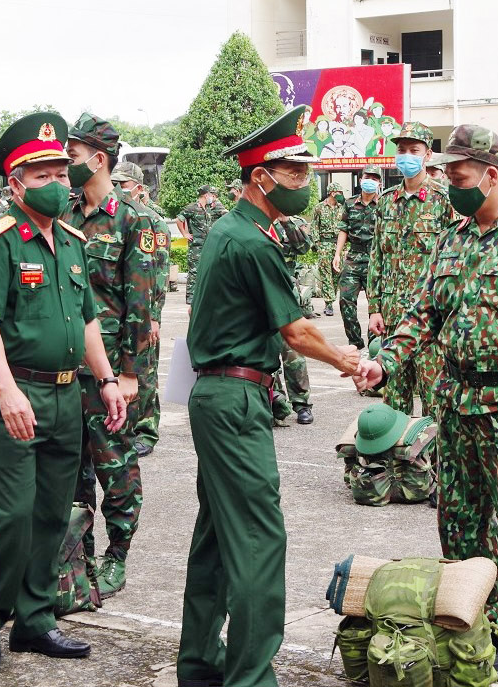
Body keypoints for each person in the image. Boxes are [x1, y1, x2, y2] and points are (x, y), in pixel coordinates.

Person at [353, 124, 498, 682]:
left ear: (491, 174)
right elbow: (424, 316)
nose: (448, 182)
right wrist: (386, 361)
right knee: (460, 523)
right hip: (456, 404)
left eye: (457, 175)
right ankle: (470, 613)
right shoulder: (453, 240)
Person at [178, 105, 360, 687]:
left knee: (216, 537)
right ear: (261, 176)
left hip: (218, 396)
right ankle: (251, 677)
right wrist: (348, 361)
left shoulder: (231, 231)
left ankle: (200, 665)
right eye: (295, 174)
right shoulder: (252, 243)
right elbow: (297, 331)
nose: (305, 184)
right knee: (258, 539)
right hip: (235, 401)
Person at [0, 112, 127, 670]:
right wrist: (6, 391)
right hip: (17, 393)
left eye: (62, 170)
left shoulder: (74, 242)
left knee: (54, 514)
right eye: (42, 174)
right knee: (10, 514)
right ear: (15, 184)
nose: (58, 182)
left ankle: (34, 621)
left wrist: (105, 380)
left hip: (64, 395)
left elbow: (86, 323)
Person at [61, 113, 155, 599]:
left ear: (98, 159)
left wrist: (129, 373)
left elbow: (140, 305)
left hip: (111, 373)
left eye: (72, 156)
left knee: (114, 467)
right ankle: (81, 553)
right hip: (66, 370)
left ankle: (117, 556)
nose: (65, 163)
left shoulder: (130, 219)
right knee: (71, 470)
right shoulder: (64, 214)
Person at [367, 122, 453, 416]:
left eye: (413, 150)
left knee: (435, 398)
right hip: (392, 316)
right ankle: (400, 462)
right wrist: (374, 308)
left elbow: (453, 261)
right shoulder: (386, 201)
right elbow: (377, 255)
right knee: (394, 399)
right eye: (401, 150)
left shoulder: (444, 201)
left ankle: (436, 461)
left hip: (431, 320)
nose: (406, 156)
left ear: (428, 155)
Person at [113, 161, 170, 456]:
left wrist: (154, 317)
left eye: (124, 185)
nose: (119, 190)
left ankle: (146, 430)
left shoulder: (152, 221)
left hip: (145, 312)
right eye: (116, 184)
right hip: (117, 311)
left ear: (138, 188)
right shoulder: (112, 217)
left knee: (144, 372)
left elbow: (158, 273)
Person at [271, 215, 315, 425]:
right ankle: (275, 402)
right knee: (264, 351)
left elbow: (304, 247)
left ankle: (301, 403)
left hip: (286, 295)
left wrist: (285, 221)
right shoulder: (250, 221)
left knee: (293, 351)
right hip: (258, 294)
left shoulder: (290, 222)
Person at [335, 164, 382, 349]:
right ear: (361, 180)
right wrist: (337, 254)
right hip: (353, 257)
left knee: (375, 306)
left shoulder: (384, 204)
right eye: (367, 177)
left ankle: (374, 344)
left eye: (375, 178)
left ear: (379, 183)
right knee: (345, 300)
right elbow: (343, 229)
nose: (370, 181)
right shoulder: (349, 203)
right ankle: (356, 343)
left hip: (375, 260)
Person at [178, 185, 227, 306]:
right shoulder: (192, 207)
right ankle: (191, 297)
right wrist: (185, 233)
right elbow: (179, 219)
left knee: (212, 269)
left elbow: (227, 215)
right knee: (194, 271)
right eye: (212, 195)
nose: (213, 197)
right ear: (206, 195)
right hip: (196, 246)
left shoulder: (213, 207)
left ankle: (210, 295)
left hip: (210, 245)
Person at [310, 181, 345, 316]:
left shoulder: (342, 208)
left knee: (337, 274)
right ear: (332, 192)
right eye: (339, 192)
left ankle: (331, 298)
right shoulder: (319, 208)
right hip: (324, 244)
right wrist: (318, 244)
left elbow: (345, 227)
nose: (341, 195)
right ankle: (329, 303)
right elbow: (314, 227)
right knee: (326, 274)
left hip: (338, 246)